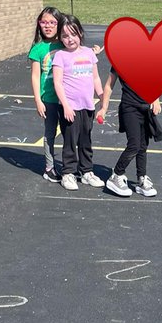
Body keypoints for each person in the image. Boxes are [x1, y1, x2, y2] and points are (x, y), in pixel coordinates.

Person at [52, 16, 103, 191]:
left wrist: (102, 96)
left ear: (80, 33)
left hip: (88, 106)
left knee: (85, 140)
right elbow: (57, 83)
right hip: (69, 107)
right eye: (65, 36)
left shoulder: (89, 53)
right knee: (70, 141)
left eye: (73, 34)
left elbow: (95, 77)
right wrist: (65, 105)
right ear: (60, 38)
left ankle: (86, 172)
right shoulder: (60, 55)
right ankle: (68, 173)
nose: (70, 39)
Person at [98, 68, 162, 198]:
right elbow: (109, 85)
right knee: (134, 145)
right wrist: (104, 108)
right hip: (129, 108)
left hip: (145, 108)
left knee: (143, 146)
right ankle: (116, 175)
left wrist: (156, 99)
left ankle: (141, 179)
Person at [28, 6, 65, 182]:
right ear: (39, 24)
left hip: (66, 99)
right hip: (48, 99)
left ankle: (71, 166)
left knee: (70, 134)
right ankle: (49, 168)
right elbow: (36, 77)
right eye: (44, 22)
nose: (48, 26)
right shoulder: (38, 48)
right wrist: (38, 100)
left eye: (52, 22)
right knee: (50, 133)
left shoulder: (66, 44)